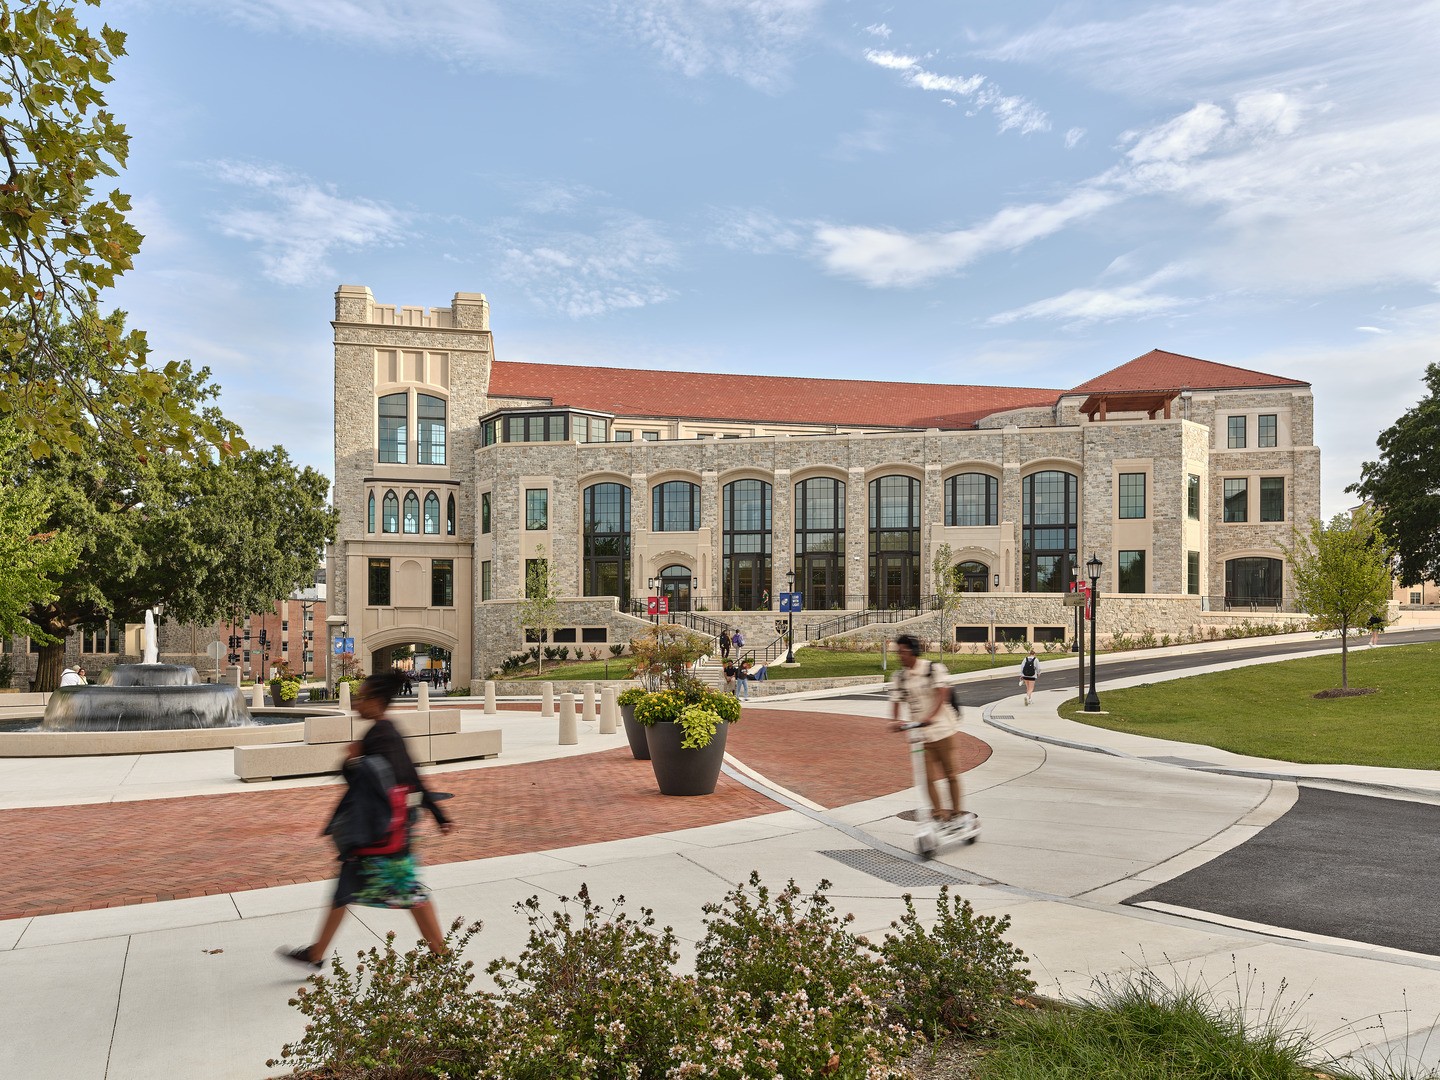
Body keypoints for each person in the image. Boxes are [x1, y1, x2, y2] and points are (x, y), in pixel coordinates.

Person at [279, 669, 455, 970]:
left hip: (381, 834)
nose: (356, 704)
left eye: (361, 698)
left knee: (408, 891)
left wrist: (350, 760)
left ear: (375, 702)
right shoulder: (389, 731)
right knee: (348, 889)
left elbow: (372, 782)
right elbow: (411, 776)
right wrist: (439, 815)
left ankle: (441, 954)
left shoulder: (378, 735)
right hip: (388, 831)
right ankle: (316, 953)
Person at [889, 633, 971, 828]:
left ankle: (957, 814)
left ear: (913, 651)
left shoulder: (933, 669)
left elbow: (943, 695)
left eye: (903, 651)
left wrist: (931, 717)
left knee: (950, 774)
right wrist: (894, 721)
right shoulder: (899, 677)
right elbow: (895, 701)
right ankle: (939, 815)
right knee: (928, 778)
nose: (900, 655)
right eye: (898, 652)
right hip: (921, 735)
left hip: (943, 730)